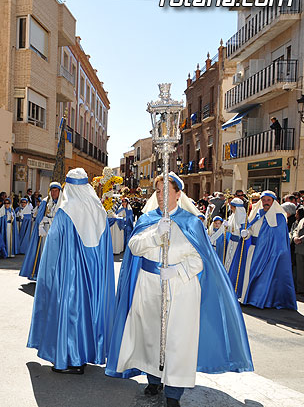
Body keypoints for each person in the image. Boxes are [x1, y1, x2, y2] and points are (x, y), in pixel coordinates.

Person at [106, 173, 253, 407]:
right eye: (157, 191)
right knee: (151, 336)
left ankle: (174, 393)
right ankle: (154, 378)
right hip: (149, 285)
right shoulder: (147, 219)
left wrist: (178, 271)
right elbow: (133, 246)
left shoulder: (191, 222)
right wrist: (156, 236)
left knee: (176, 340)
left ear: (178, 194)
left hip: (181, 287)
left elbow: (201, 260)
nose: (161, 195)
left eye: (166, 190)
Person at [27, 168, 115, 374]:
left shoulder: (66, 211)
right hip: (94, 275)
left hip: (71, 274)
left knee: (71, 313)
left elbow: (53, 246)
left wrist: (48, 276)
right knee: (87, 312)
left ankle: (73, 360)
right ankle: (84, 355)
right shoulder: (98, 209)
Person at [238, 191, 297, 309]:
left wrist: (275, 253)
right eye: (263, 200)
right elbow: (251, 229)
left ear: (273, 202)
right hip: (254, 250)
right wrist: (246, 234)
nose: (265, 203)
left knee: (265, 277)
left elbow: (280, 239)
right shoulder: (256, 214)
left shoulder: (279, 217)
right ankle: (248, 298)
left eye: (268, 200)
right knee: (250, 273)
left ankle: (261, 300)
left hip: (270, 253)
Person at [19, 182, 61, 280]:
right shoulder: (45, 202)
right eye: (52, 191)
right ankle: (42, 274)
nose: (54, 193)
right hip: (45, 230)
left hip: (57, 231)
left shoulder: (63, 203)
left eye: (56, 191)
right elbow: (39, 217)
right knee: (44, 251)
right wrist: (41, 225)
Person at [291, 207, 304, 294]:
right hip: (299, 249)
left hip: (301, 244)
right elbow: (296, 229)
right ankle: (300, 289)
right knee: (300, 271)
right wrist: (295, 237)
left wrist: (301, 239)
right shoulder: (302, 220)